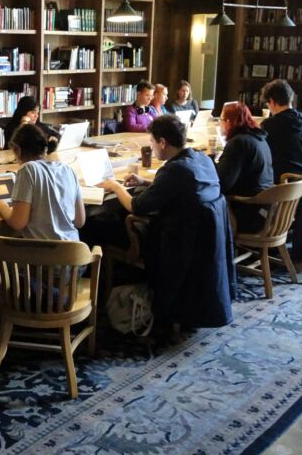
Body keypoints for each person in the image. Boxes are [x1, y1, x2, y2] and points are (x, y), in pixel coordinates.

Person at [98, 115, 235, 333]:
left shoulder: (174, 170)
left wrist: (115, 186)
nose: (151, 147)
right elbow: (183, 187)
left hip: (174, 243)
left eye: (151, 141)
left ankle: (100, 300)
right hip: (201, 241)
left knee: (99, 226)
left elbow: (136, 207)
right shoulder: (202, 159)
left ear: (162, 142)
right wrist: (146, 182)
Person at [0, 123, 85, 241]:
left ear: (18, 150)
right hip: (74, 249)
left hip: (43, 251)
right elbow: (80, 221)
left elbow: (18, 223)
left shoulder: (28, 169)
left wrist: (2, 207)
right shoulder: (68, 169)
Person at [216, 102, 274, 232]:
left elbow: (222, 184)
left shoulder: (238, 143)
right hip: (266, 211)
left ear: (229, 122)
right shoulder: (259, 138)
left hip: (248, 214)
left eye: (221, 120)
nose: (220, 124)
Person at [259, 79, 302, 181]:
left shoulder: (269, 125)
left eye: (267, 103)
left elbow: (259, 151)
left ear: (272, 101)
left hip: (282, 182)